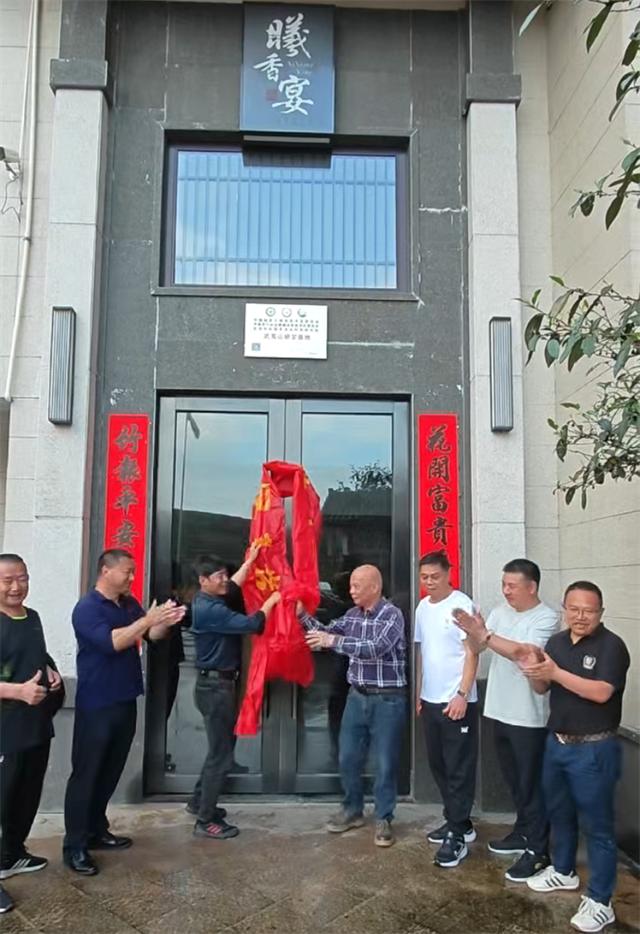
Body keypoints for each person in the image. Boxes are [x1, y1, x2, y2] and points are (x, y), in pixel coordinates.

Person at [63, 549, 184, 876]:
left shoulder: (128, 604)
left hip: (125, 699)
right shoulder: (87, 608)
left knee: (110, 770)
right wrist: (148, 620)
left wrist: (165, 622)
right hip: (96, 703)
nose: (132, 577)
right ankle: (75, 846)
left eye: (133, 572)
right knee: (87, 774)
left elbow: (148, 635)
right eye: (127, 571)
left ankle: (96, 829)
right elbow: (112, 642)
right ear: (106, 570)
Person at [523, 581, 630, 934]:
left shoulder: (612, 646)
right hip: (557, 742)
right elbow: (543, 688)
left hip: (594, 748)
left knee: (598, 826)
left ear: (600, 612)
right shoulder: (555, 643)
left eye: (589, 610)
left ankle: (600, 901)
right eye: (574, 609)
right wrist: (535, 672)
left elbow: (601, 692)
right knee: (559, 812)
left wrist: (555, 672)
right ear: (564, 609)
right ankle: (563, 870)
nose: (581, 616)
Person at [452, 558, 559, 882]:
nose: (506, 591)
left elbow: (523, 652)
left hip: (529, 716)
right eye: (503, 584)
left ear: (532, 587)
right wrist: (473, 632)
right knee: (513, 780)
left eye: (512, 585)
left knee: (531, 783)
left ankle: (539, 851)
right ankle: (523, 831)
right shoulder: (500, 612)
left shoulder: (546, 617)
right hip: (498, 709)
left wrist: (485, 634)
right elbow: (478, 648)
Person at [299, 565, 407, 848]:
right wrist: (301, 615)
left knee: (385, 763)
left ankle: (384, 817)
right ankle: (352, 809)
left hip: (388, 699)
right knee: (347, 756)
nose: (351, 590)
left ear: (374, 587)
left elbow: (375, 647)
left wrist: (333, 641)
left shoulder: (392, 615)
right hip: (356, 697)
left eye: (357, 585)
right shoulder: (351, 615)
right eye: (351, 585)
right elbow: (325, 633)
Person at [187, 549, 280, 840]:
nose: (225, 580)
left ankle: (198, 801)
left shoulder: (210, 599)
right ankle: (205, 820)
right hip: (216, 689)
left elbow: (235, 585)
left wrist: (249, 562)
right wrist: (272, 600)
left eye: (225, 574)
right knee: (221, 754)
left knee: (220, 749)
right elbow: (253, 624)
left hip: (216, 686)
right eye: (219, 576)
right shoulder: (210, 610)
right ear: (203, 580)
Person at [0, 554, 64, 915]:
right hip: (4, 728)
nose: (16, 587)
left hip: (35, 725)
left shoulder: (33, 617)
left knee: (25, 795)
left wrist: (51, 671)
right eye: (7, 580)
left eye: (22, 578)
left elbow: (36, 655)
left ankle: (11, 854)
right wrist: (17, 691)